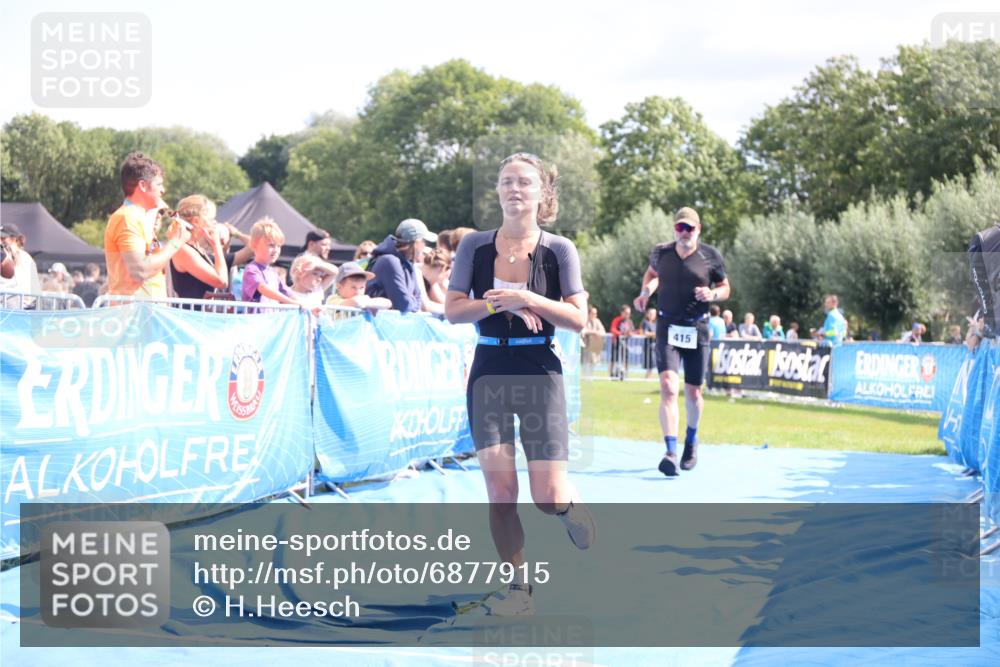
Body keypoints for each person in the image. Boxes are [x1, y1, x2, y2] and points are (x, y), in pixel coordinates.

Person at [445, 152, 595, 616]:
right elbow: (453, 310)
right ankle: (519, 589)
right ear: (497, 191)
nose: (514, 188)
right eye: (506, 181)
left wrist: (527, 296)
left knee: (546, 496)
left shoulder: (559, 250)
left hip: (538, 368)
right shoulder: (474, 247)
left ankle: (568, 508)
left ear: (541, 193)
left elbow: (577, 318)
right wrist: (500, 305)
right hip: (488, 368)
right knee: (502, 493)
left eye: (524, 182)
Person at [634, 206, 731, 476]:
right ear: (675, 229)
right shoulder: (661, 252)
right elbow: (652, 275)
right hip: (667, 326)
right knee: (668, 386)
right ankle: (670, 452)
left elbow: (726, 288)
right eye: (680, 227)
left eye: (690, 228)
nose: (684, 232)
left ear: (698, 230)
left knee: (693, 393)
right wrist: (645, 292)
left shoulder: (710, 256)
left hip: (696, 328)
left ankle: (691, 438)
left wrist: (712, 294)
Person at [104, 152, 191, 297]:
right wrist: (176, 242)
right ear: (143, 186)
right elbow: (140, 271)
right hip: (133, 310)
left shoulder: (138, 217)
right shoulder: (127, 217)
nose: (163, 190)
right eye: (159, 184)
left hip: (146, 309)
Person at [366, 219, 437, 313]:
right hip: (379, 321)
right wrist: (412, 300)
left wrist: (412, 301)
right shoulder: (390, 261)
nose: (425, 246)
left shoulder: (408, 263)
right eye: (424, 242)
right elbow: (404, 305)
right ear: (416, 242)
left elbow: (418, 300)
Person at [169, 195, 230, 300]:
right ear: (196, 221)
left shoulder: (196, 247)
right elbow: (222, 281)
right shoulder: (183, 249)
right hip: (190, 310)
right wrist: (216, 245)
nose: (214, 223)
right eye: (211, 219)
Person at [241, 217, 300, 305]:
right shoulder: (251, 270)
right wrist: (291, 302)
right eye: (271, 245)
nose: (276, 250)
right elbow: (263, 288)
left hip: (272, 314)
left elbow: (288, 293)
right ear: (254, 245)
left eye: (279, 246)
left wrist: (306, 305)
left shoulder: (273, 273)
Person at [0, 223, 43, 302]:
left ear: (14, 239)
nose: (0, 241)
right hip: (22, 303)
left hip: (16, 303)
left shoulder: (11, 255)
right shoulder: (27, 257)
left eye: (3, 238)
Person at [325, 261, 392, 311]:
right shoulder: (333, 300)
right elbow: (355, 301)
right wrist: (368, 303)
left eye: (361, 288)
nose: (358, 292)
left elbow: (388, 303)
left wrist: (369, 302)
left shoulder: (364, 300)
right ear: (339, 287)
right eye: (353, 287)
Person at [609, 305, 635, 379]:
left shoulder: (629, 321)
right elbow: (613, 329)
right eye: (626, 313)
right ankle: (611, 374)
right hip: (616, 342)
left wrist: (630, 333)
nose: (628, 315)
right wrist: (622, 333)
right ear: (622, 313)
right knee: (614, 359)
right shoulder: (617, 320)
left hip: (625, 343)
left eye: (629, 313)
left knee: (626, 359)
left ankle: (626, 374)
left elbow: (632, 331)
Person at [582, 306, 606, 372]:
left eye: (596, 313)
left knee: (593, 363)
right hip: (585, 346)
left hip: (594, 346)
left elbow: (603, 332)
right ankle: (585, 376)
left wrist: (594, 332)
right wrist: (594, 332)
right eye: (593, 313)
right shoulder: (584, 320)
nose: (595, 315)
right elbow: (583, 331)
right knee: (585, 363)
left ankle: (590, 376)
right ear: (589, 313)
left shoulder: (597, 321)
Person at [641, 307, 657, 379]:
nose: (652, 315)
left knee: (652, 364)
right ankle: (647, 378)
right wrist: (654, 334)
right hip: (648, 346)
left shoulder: (655, 324)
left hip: (654, 345)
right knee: (649, 364)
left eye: (653, 314)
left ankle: (649, 377)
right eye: (650, 314)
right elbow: (645, 333)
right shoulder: (645, 322)